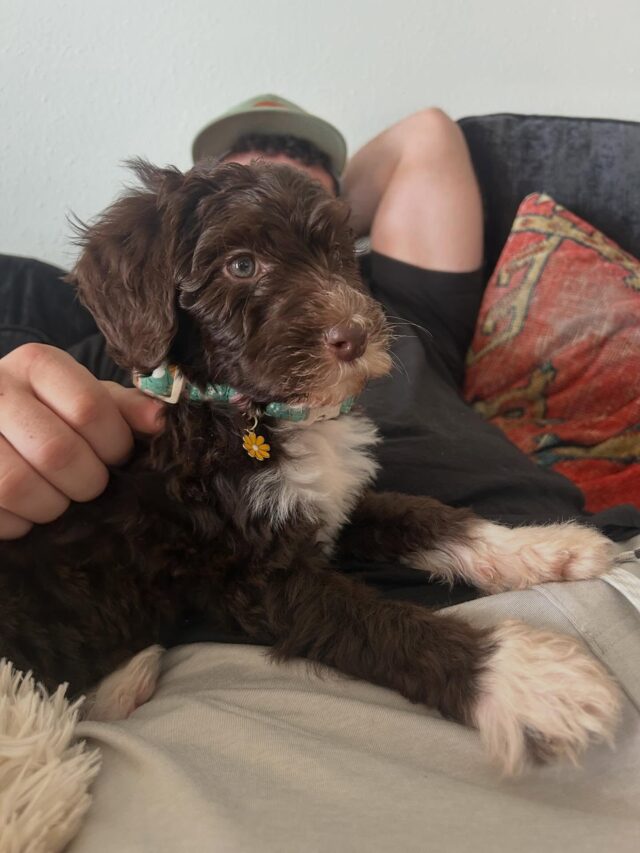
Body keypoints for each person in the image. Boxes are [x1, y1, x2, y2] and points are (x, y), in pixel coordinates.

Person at [3, 96, 640, 852]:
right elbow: (264, 583)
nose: (343, 313)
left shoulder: (399, 307)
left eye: (333, 247)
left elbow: (428, 135)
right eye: (244, 260)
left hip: (583, 593)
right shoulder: (118, 351)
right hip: (259, 678)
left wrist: (309, 202)